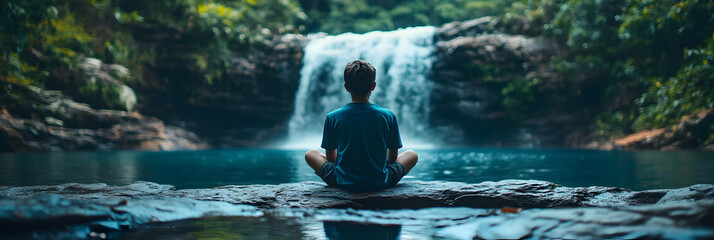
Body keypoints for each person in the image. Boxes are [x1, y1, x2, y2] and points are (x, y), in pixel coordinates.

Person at [304, 60, 418, 191]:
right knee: (411, 154)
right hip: (381, 180)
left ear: (346, 87)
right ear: (373, 86)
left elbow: (330, 158)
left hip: (340, 180)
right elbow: (392, 159)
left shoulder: (332, 117)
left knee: (311, 153)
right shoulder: (388, 116)